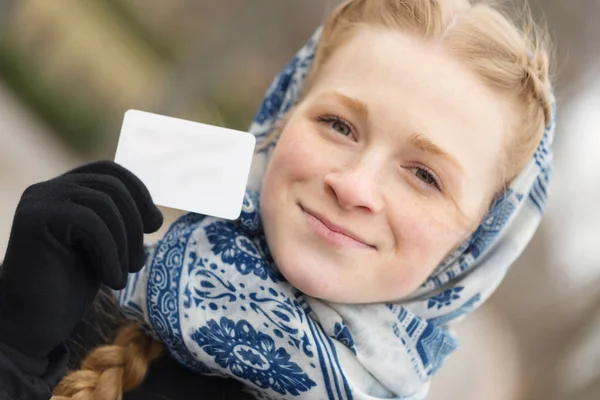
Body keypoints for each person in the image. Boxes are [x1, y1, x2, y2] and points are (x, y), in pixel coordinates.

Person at [0, 0, 555, 398]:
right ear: (279, 123)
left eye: (425, 175)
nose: (355, 185)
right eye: (338, 124)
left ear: (473, 250)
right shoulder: (102, 299)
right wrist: (16, 345)